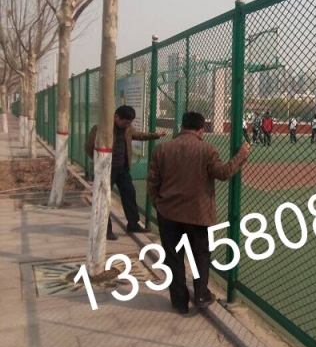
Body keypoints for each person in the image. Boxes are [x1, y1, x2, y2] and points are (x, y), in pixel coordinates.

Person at [147, 112, 250, 314]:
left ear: (182, 126)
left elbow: (153, 181)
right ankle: (201, 294)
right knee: (200, 255)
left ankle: (179, 301)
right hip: (198, 214)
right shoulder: (207, 150)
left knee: (173, 258)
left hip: (168, 213)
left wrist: (158, 203)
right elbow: (223, 173)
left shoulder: (162, 148)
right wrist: (241, 155)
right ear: (201, 130)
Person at [85, 105, 166, 241]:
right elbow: (88, 146)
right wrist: (98, 162)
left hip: (122, 169)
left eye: (129, 123)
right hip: (106, 169)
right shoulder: (101, 127)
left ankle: (133, 224)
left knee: (129, 194)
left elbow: (138, 135)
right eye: (125, 122)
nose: (127, 125)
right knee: (104, 198)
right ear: (116, 117)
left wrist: (155, 135)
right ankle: (106, 230)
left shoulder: (127, 128)